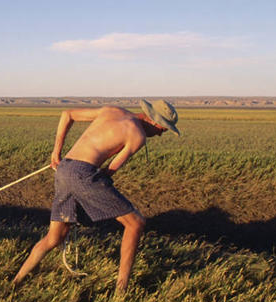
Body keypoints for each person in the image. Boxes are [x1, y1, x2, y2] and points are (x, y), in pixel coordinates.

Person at [13, 99, 180, 291]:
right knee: (135, 223)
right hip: (83, 173)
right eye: (163, 130)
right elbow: (109, 171)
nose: (159, 135)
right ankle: (121, 291)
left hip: (65, 168)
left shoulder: (112, 110)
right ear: (155, 122)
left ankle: (16, 281)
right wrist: (93, 182)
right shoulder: (138, 136)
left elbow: (67, 114)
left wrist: (56, 153)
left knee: (54, 237)